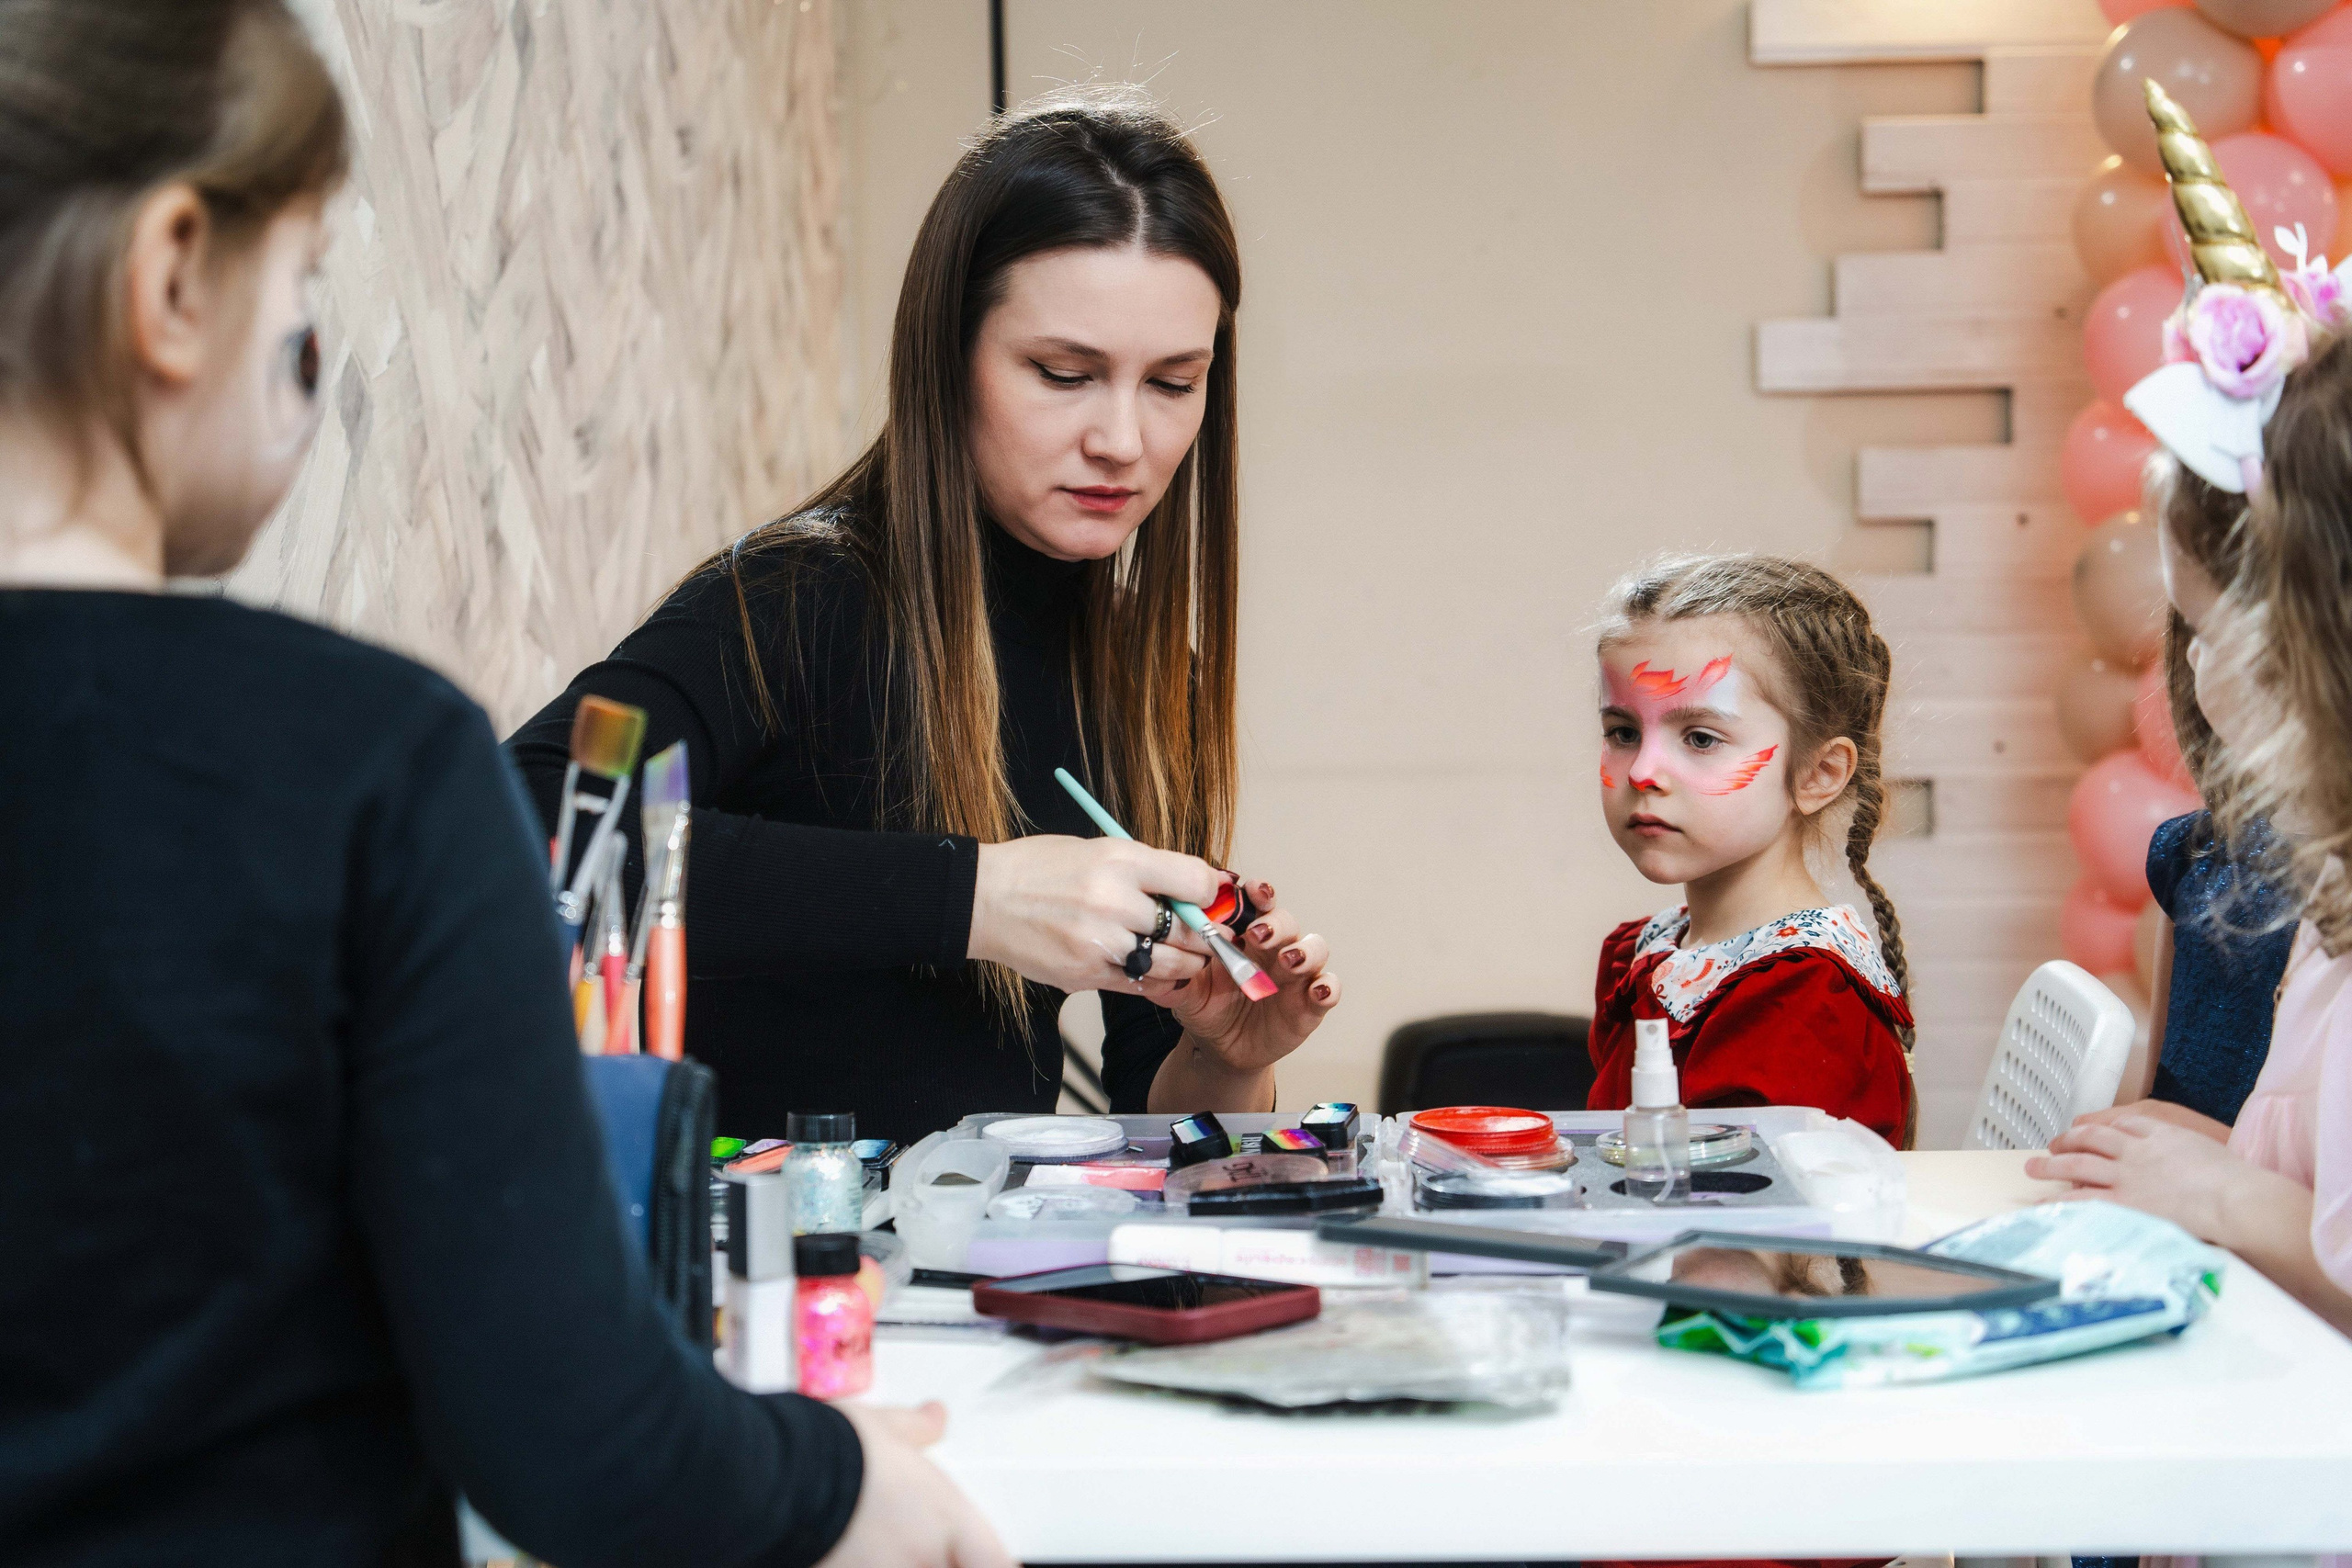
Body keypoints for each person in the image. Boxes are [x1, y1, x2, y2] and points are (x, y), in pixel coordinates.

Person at [0, 5, 1009, 1564]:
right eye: (306, 277)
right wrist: (843, 1476)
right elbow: (582, 1442)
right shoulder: (368, 770)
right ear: (176, 280)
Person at [508, 86, 1339, 1144]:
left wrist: (1222, 1055)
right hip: (754, 1282)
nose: (1123, 441)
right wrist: (976, 899)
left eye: (1173, 383)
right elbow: (528, 817)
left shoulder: (1141, 674)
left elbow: (1150, 1120)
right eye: (1063, 374)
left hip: (974, 1280)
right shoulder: (794, 598)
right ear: (947, 358)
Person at [2031, 333, 2352, 1339]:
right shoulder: (2326, 903)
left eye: (2202, 626)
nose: (2195, 674)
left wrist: (2221, 1192)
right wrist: (2224, 1154)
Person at [1585, 555, 1917, 1148]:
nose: (1643, 770)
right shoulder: (1654, 954)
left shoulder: (1803, 1006)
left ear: (1818, 772)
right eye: (1623, 731)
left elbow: (1747, 1238)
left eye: (1701, 737)